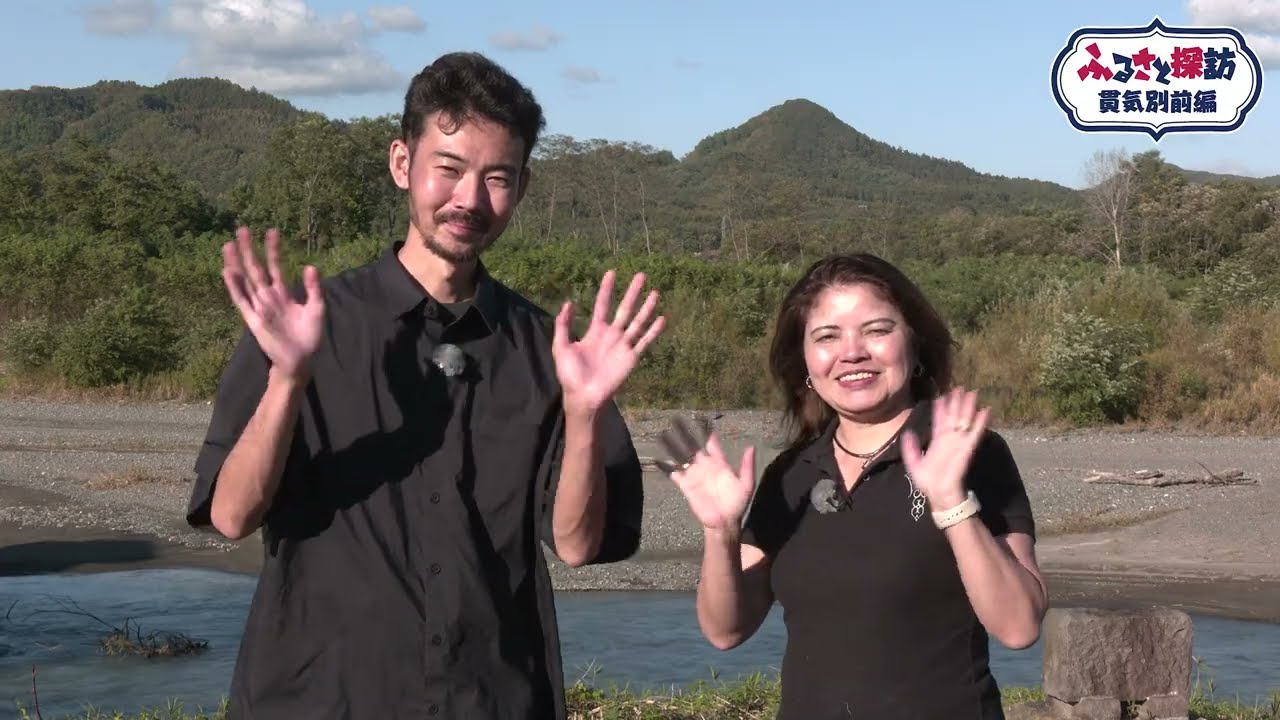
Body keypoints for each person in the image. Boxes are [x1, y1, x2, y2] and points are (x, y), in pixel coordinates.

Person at [186, 51, 664, 720]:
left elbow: (580, 547)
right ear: (402, 164)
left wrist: (584, 413)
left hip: (491, 698)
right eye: (449, 169)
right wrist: (289, 379)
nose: (470, 199)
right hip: (319, 699)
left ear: (522, 187)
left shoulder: (548, 354)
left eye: (497, 177)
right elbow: (231, 516)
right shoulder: (304, 328)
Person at [659, 253, 1048, 719]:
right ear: (804, 360)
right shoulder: (792, 473)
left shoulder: (968, 453)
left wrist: (950, 501)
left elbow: (1019, 627)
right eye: (827, 336)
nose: (852, 352)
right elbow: (725, 631)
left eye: (877, 330)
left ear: (915, 343)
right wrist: (720, 533)